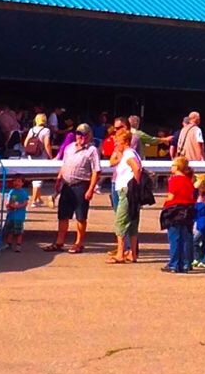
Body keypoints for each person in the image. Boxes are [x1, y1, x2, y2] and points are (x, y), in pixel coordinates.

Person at [44, 124, 100, 254]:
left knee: (81, 216)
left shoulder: (92, 150)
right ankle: (59, 242)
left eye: (84, 134)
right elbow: (64, 165)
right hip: (66, 185)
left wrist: (91, 189)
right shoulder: (69, 148)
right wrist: (59, 180)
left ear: (89, 135)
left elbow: (96, 171)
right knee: (63, 215)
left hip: (81, 185)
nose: (80, 137)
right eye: (78, 134)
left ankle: (79, 243)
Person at [107, 135, 144, 264]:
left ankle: (120, 254)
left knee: (120, 222)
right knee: (133, 223)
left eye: (118, 142)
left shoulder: (128, 154)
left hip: (126, 191)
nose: (116, 144)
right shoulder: (129, 153)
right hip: (131, 192)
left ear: (126, 142)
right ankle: (132, 254)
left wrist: (134, 184)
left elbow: (137, 168)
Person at [160, 156, 197, 271]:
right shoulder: (188, 180)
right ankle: (186, 263)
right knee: (186, 237)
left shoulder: (174, 180)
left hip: (175, 210)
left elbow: (171, 196)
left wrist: (164, 203)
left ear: (177, 167)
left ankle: (174, 263)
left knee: (175, 238)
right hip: (188, 209)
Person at [23, 112, 53, 205]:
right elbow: (47, 144)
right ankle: (34, 200)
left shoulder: (31, 130)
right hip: (41, 155)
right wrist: (50, 156)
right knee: (39, 178)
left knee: (35, 177)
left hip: (31, 155)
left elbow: (25, 143)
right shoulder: (46, 130)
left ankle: (38, 198)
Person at [2, 176, 30, 250]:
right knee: (10, 231)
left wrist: (18, 206)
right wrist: (9, 204)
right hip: (11, 215)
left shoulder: (23, 193)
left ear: (22, 183)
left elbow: (25, 203)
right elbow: (10, 200)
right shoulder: (12, 191)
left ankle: (18, 245)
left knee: (19, 231)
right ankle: (8, 243)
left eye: (18, 181)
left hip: (19, 216)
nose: (16, 183)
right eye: (15, 181)